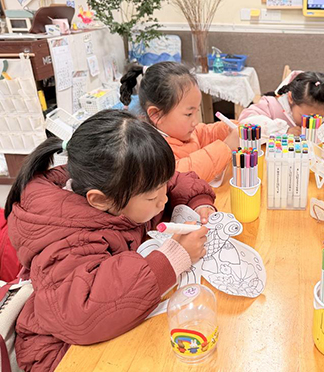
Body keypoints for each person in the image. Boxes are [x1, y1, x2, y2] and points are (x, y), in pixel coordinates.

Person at [6, 110, 215, 371]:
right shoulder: (67, 238)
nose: (163, 199)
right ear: (101, 200)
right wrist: (173, 259)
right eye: (152, 197)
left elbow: (172, 181)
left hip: (120, 316)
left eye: (162, 188)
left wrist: (199, 202)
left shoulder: (121, 180)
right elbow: (84, 311)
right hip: (64, 350)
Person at [120, 62, 240, 183]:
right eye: (189, 114)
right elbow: (185, 174)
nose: (195, 121)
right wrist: (226, 147)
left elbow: (205, 133)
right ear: (156, 114)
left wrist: (229, 128)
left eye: (196, 111)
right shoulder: (153, 151)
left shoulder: (181, 131)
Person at [239, 71, 324, 136]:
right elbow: (245, 121)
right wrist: (284, 130)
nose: (312, 122)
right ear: (290, 98)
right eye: (307, 117)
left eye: (319, 117)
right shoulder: (271, 105)